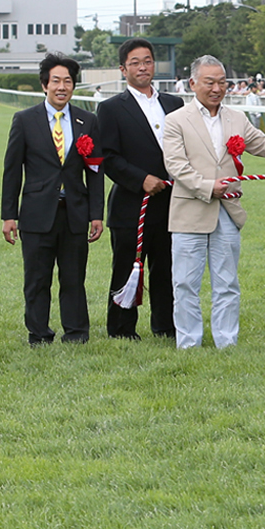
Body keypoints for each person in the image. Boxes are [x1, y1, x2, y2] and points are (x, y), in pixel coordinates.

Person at [160, 55, 265, 349]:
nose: (216, 88)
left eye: (222, 82)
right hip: (189, 212)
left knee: (227, 283)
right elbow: (176, 166)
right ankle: (188, 343)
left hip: (227, 213)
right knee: (185, 284)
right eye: (209, 82)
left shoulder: (236, 118)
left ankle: (226, 342)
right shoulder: (175, 121)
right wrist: (209, 187)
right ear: (193, 83)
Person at [2, 54, 104, 347]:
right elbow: (12, 171)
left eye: (68, 81)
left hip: (74, 211)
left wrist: (96, 213)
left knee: (73, 278)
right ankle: (39, 334)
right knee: (37, 279)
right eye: (56, 81)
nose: (62, 87)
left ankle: (76, 333)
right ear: (44, 84)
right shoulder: (24, 120)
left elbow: (96, 171)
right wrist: (9, 215)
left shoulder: (88, 121)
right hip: (36, 213)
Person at [98, 38, 185, 341]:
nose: (143, 67)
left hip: (172, 203)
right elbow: (108, 157)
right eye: (135, 62)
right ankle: (121, 329)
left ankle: (165, 326)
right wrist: (141, 179)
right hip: (132, 203)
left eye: (147, 61)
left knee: (166, 268)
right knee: (126, 267)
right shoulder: (110, 109)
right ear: (124, 69)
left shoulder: (174, 104)